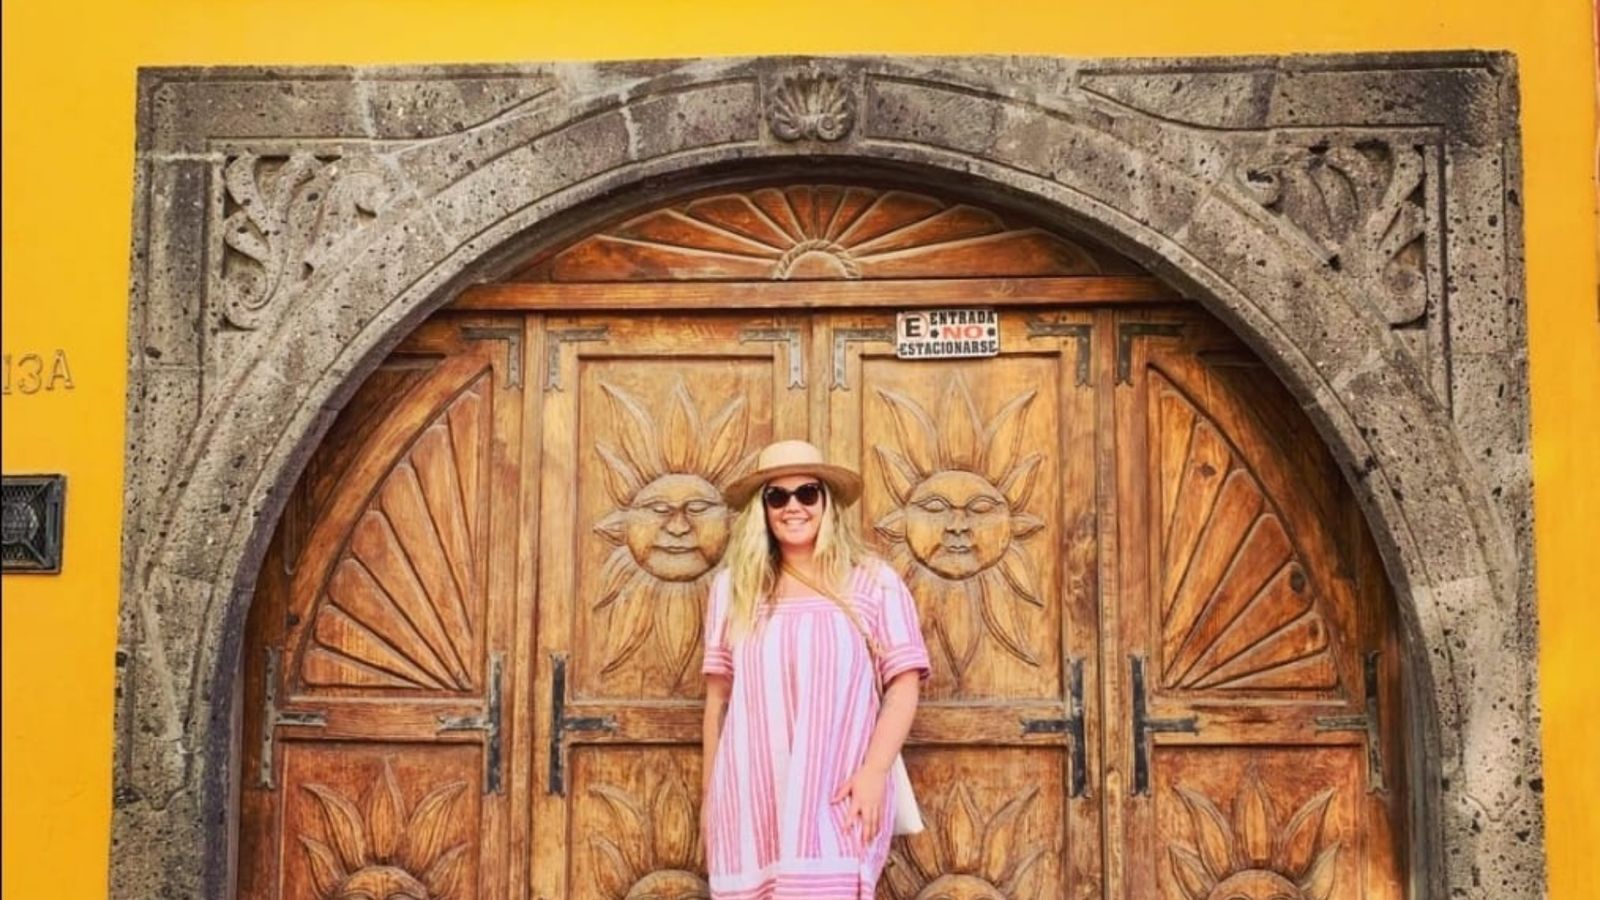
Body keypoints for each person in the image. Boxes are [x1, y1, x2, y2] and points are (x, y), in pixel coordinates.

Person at [701, 439, 930, 900]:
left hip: (839, 794)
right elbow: (717, 703)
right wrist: (711, 800)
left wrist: (875, 772)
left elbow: (904, 684)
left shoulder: (872, 580)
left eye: (807, 493)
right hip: (750, 799)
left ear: (826, 502)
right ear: (761, 509)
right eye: (777, 496)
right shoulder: (734, 589)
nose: (793, 507)